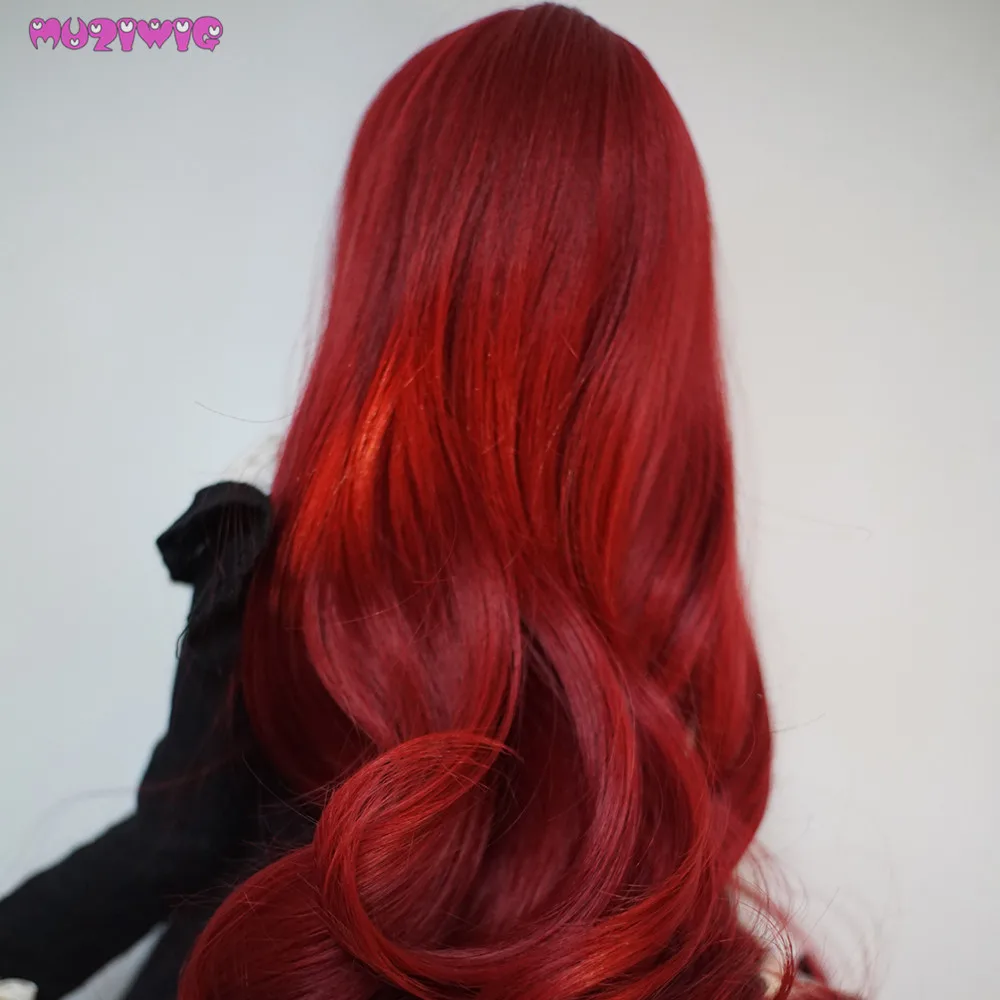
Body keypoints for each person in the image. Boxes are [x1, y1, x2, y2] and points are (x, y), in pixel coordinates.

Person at [0, 5, 860, 999]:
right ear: (659, 300)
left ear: (394, 264)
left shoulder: (280, 558)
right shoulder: (664, 594)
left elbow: (175, 839)